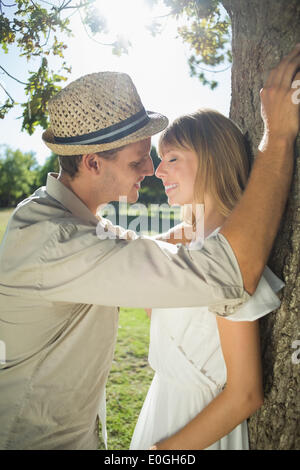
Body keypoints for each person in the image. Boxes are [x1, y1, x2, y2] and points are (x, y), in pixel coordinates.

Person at [0, 46, 299, 450]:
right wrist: (277, 137)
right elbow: (227, 273)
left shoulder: (68, 223)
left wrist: (202, 220)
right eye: (139, 160)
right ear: (92, 163)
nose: (151, 171)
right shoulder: (61, 244)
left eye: (161, 158)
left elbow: (144, 249)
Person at [130, 109, 285, 450]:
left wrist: (164, 452)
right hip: (161, 405)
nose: (158, 171)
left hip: (198, 429)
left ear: (212, 161)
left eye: (172, 158)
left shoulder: (231, 259)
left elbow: (245, 394)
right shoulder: (190, 243)